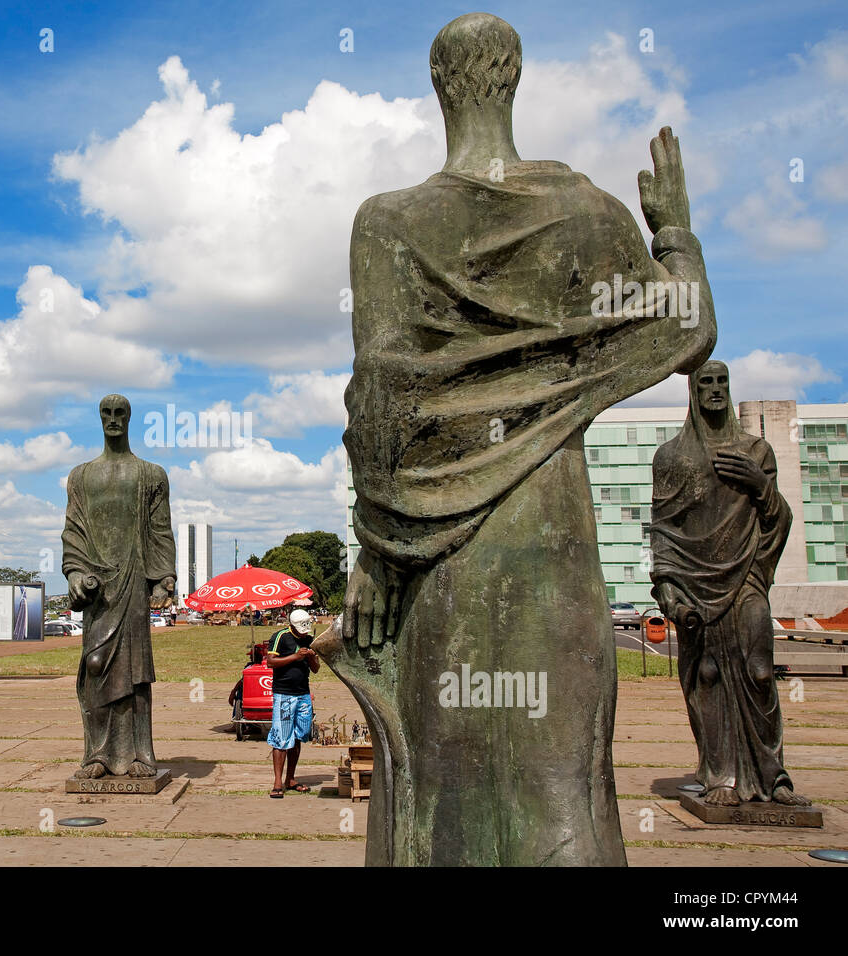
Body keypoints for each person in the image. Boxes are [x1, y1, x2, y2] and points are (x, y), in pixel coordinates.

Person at [324, 13, 715, 865]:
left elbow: (384, 400)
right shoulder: (588, 213)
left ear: (440, 85)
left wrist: (382, 553)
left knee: (443, 777)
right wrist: (675, 231)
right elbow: (689, 328)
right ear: (514, 79)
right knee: (560, 782)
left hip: (440, 551)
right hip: (550, 528)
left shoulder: (386, 221)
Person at [650, 361, 808, 808]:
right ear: (693, 392)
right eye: (706, 383)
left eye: (722, 382)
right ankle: (721, 775)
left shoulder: (756, 452)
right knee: (708, 675)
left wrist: (762, 486)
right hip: (697, 585)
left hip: (747, 579)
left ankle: (773, 777)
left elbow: (778, 521)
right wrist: (669, 590)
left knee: (759, 672)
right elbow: (663, 531)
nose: (715, 390)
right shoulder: (672, 458)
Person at [62, 394, 176, 779]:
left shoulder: (151, 474)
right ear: (99, 418)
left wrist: (165, 578)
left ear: (130, 418)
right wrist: (75, 574)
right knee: (95, 668)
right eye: (106, 414)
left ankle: (141, 754)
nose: (113, 420)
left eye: (120, 414)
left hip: (133, 586)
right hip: (99, 591)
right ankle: (97, 754)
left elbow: (160, 530)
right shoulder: (80, 476)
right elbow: (73, 533)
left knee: (136, 674)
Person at [265, 609, 319, 798]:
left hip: (303, 694)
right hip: (284, 695)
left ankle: (291, 778)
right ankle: (277, 782)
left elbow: (316, 669)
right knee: (281, 738)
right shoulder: (281, 636)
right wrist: (295, 657)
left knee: (298, 736)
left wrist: (311, 656)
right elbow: (270, 662)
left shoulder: (309, 639)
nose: (304, 632)